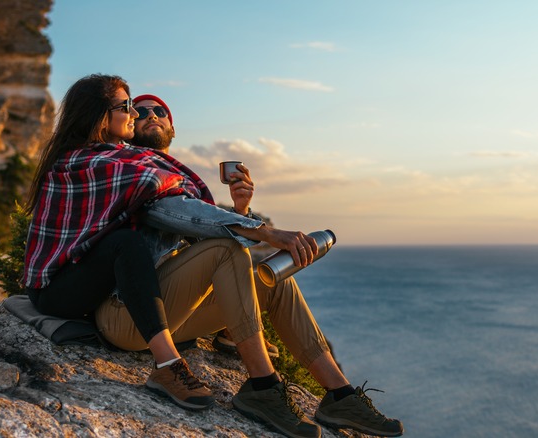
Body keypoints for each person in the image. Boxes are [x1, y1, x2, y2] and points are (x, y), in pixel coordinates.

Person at [93, 93, 404, 437]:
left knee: (275, 280)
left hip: (170, 317)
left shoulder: (181, 179)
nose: (150, 115)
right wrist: (267, 232)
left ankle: (340, 395)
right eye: (139, 111)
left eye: (160, 111)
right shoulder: (130, 168)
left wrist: (240, 210)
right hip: (126, 316)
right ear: (128, 126)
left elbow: (201, 250)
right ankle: (262, 387)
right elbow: (175, 214)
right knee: (228, 250)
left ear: (172, 127)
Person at [22, 74, 217, 411]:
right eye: (127, 107)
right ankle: (168, 366)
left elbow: (154, 181)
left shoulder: (118, 155)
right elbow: (151, 181)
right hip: (54, 291)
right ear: (100, 115)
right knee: (125, 242)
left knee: (125, 240)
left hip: (88, 274)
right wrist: (170, 180)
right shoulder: (79, 161)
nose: (134, 114)